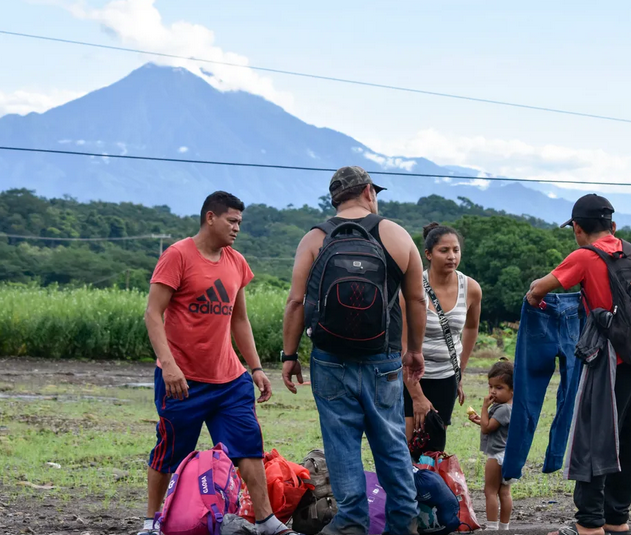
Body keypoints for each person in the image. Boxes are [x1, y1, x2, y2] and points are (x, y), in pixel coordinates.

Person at [281, 166, 427, 535]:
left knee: (341, 442)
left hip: (330, 359)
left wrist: (289, 355)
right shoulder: (396, 234)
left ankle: (350, 521)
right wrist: (414, 351)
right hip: (384, 357)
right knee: (391, 441)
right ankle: (403, 521)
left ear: (334, 199)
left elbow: (296, 302)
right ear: (368, 191)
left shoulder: (314, 238)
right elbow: (416, 300)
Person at [141, 191, 297, 535]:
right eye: (232, 221)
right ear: (210, 217)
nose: (237, 228)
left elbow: (239, 320)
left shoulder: (236, 262)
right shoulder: (177, 255)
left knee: (248, 447)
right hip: (182, 381)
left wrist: (256, 368)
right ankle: (151, 522)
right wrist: (169, 365)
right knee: (170, 452)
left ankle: (267, 521)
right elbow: (153, 313)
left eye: (240, 222)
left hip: (229, 380)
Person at [525, 194, 631, 535]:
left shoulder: (584, 256)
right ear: (613, 226)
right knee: (627, 442)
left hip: (608, 361)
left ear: (578, 229)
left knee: (594, 440)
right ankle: (616, 519)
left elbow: (538, 289)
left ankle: (589, 524)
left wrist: (535, 299)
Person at [402, 223, 482, 442]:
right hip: (412, 379)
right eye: (444, 250)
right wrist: (417, 396)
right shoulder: (411, 288)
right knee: (407, 445)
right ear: (428, 254)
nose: (451, 256)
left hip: (446, 378)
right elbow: (401, 346)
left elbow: (471, 328)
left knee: (434, 448)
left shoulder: (471, 288)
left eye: (456, 250)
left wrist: (459, 373)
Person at [469, 359, 514, 531]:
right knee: (504, 492)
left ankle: (492, 527)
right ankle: (504, 527)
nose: (493, 391)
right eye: (491, 386)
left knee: (490, 491)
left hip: (496, 456)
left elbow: (487, 428)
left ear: (512, 390)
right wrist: (479, 420)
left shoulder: (502, 409)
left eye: (499, 387)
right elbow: (492, 425)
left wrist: (483, 408)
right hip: (507, 454)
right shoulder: (509, 407)